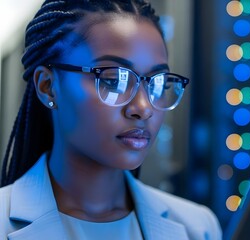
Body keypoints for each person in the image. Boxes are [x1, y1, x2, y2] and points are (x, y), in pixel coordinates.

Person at [0, 0, 222, 239]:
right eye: (114, 80)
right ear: (48, 87)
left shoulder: (198, 227)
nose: (143, 108)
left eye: (157, 83)